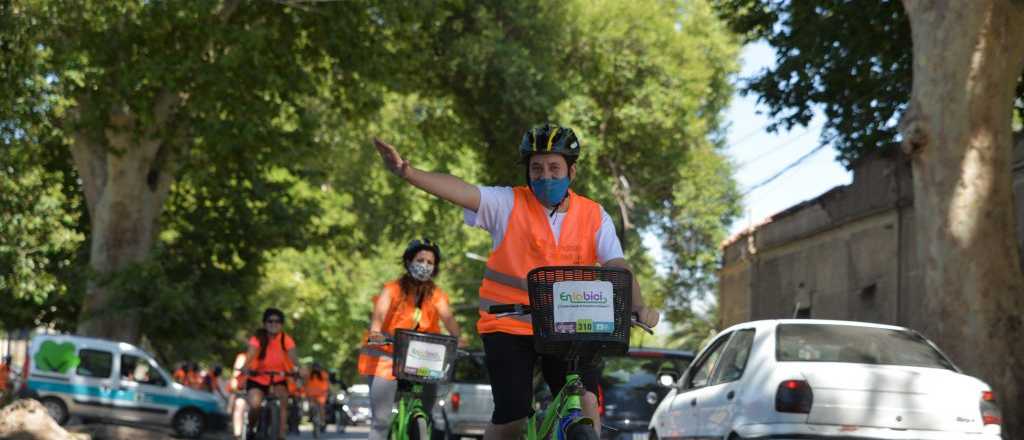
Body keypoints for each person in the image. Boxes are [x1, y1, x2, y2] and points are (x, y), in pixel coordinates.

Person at [373, 124, 659, 439]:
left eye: (554, 168)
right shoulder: (507, 203)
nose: (545, 176)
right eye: (536, 168)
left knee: (587, 400)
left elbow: (617, 265)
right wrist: (407, 172)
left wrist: (639, 306)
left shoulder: (594, 215)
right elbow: (460, 189)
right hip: (507, 326)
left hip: (567, 329)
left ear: (571, 171)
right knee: (513, 416)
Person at [357, 239, 463, 440]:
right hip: (386, 359)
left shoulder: (436, 294)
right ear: (408, 261)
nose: (424, 265)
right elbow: (378, 316)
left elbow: (449, 320)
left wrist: (459, 340)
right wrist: (375, 333)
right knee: (381, 422)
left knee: (428, 413)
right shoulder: (392, 290)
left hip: (423, 360)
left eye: (430, 262)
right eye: (420, 260)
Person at [245, 307, 299, 440]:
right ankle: (251, 428)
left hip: (279, 378)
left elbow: (293, 358)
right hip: (257, 378)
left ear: (282, 324)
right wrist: (246, 367)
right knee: (255, 405)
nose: (274, 324)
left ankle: (281, 434)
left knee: (283, 402)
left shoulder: (286, 339)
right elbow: (251, 354)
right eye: (270, 321)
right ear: (264, 323)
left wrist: (297, 369)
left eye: (278, 321)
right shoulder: (257, 338)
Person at [304, 362, 330, 433]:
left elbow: (327, 383)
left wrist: (327, 391)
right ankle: (312, 418)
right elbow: (305, 384)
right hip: (312, 395)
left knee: (321, 407)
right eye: (315, 367)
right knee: (312, 407)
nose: (316, 369)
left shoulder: (323, 374)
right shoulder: (309, 375)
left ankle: (322, 422)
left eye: (317, 367)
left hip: (321, 394)